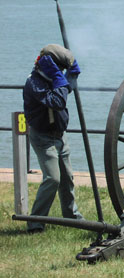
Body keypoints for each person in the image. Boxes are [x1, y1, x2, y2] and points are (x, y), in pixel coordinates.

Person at [23, 44, 84, 233]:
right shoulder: (34, 82)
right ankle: (35, 223)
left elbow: (65, 90)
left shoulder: (52, 78)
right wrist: (61, 77)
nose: (62, 72)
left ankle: (72, 217)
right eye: (61, 69)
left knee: (67, 178)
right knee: (53, 179)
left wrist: (71, 77)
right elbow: (58, 101)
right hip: (43, 137)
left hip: (59, 134)